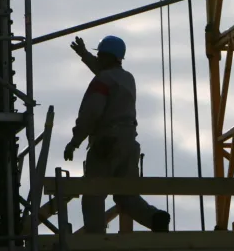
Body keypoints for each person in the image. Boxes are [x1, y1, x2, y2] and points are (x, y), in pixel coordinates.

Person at [65, 35, 170, 234]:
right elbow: (105, 72)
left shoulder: (102, 80)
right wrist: (85, 55)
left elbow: (91, 113)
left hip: (107, 143)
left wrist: (74, 141)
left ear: (105, 56)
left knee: (93, 193)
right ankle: (154, 218)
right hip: (129, 144)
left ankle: (96, 239)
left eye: (100, 55)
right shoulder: (127, 79)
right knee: (126, 195)